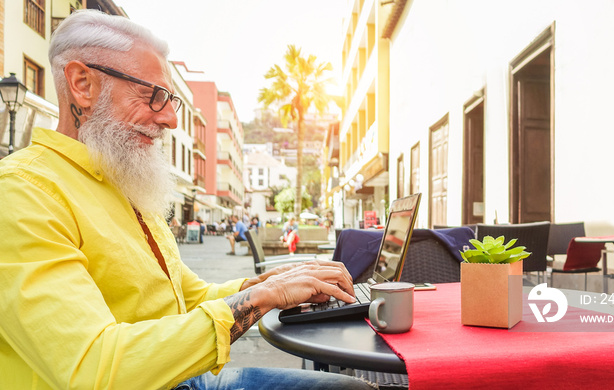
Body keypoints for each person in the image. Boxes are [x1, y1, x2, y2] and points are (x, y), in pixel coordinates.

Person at [0, 10, 370, 390]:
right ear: (82, 84)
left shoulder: (122, 179)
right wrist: (262, 297)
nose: (171, 120)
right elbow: (94, 368)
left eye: (170, 99)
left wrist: (268, 282)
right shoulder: (23, 193)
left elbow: (186, 297)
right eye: (152, 95)